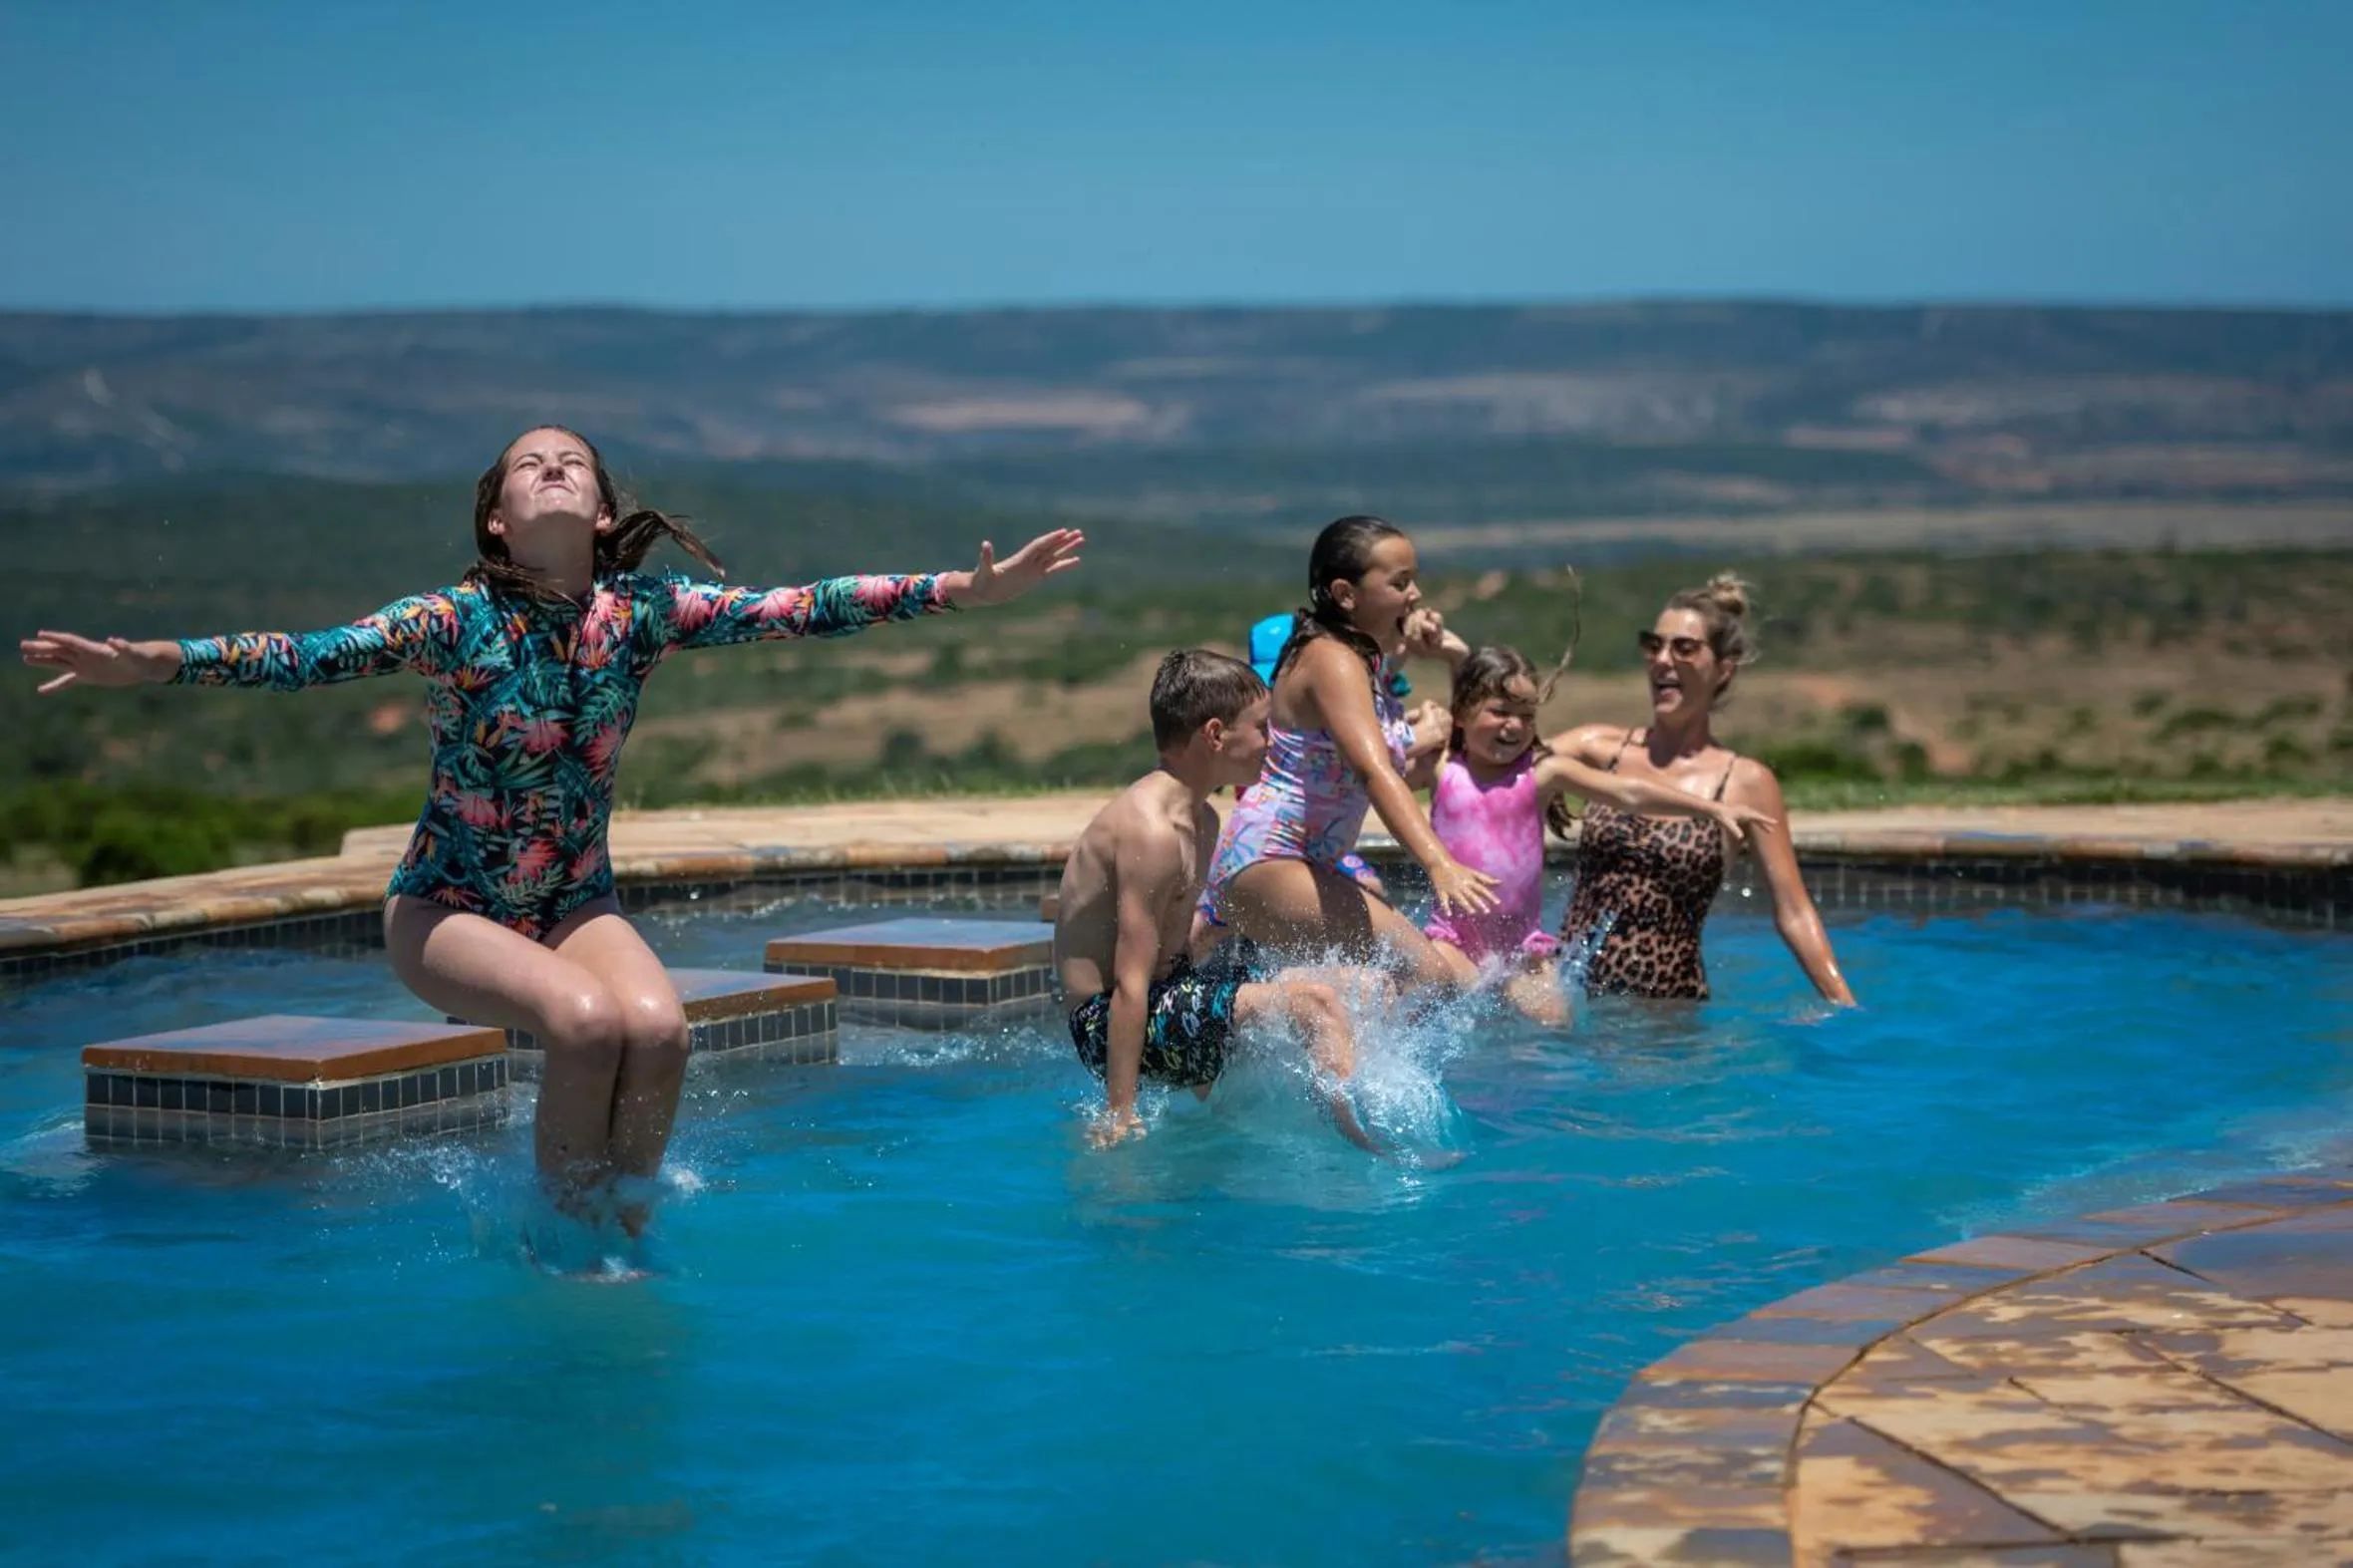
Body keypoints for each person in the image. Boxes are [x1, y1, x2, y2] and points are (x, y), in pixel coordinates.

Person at [20, 425, 1086, 1227]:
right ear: (497, 517)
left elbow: (802, 606)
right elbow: (306, 656)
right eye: (530, 464)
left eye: (573, 461)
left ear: (603, 508)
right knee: (582, 1023)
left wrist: (963, 589)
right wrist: (157, 662)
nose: (554, 468)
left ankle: (625, 1224)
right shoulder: (451, 620)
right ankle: (562, 1234)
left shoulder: (643, 614)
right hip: (446, 909)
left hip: (576, 903)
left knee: (659, 1031)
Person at [1054, 649, 1373, 1150]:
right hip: (1105, 1024)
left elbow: (1172, 950)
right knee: (1315, 1003)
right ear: (1216, 734)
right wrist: (1120, 1114)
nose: (1272, 741)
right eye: (1263, 728)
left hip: (1165, 997)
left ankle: (1307, 1121)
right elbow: (1130, 985)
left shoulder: (1202, 820)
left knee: (1364, 986)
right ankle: (1364, 1148)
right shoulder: (1152, 832)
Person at [1198, 515, 1497, 994]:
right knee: (1426, 978)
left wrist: (1427, 645)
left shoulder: (1352, 656)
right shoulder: (1332, 659)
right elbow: (1372, 772)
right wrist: (1438, 863)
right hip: (1269, 857)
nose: (1416, 593)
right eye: (1400, 583)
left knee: (1398, 986)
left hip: (1299, 861)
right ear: (1345, 594)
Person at [1423, 645, 1774, 1023]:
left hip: (1521, 954)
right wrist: (1419, 727)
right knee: (1418, 998)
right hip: (1453, 942)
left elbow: (1629, 793)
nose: (1515, 726)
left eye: (1527, 716)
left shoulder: (1542, 773)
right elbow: (1380, 773)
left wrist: (1711, 809)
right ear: (1462, 714)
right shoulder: (1441, 769)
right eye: (1501, 712)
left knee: (1555, 1030)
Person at [1550, 574, 1856, 1004]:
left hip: (1670, 1016)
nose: (1663, 659)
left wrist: (1844, 1004)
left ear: (1723, 669)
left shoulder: (1745, 783)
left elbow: (1793, 909)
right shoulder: (1597, 749)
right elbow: (1496, 761)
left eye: (1685, 648)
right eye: (1654, 645)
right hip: (1570, 1000)